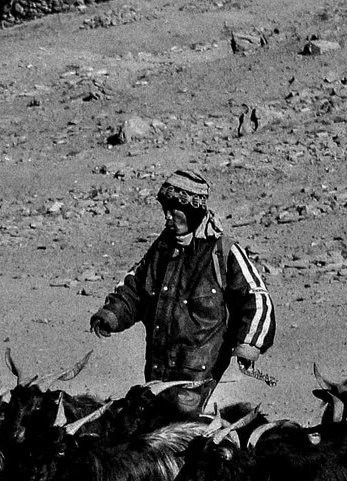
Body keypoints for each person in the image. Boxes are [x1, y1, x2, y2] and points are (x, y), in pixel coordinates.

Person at [88, 168, 273, 416]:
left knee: (184, 436)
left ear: (193, 213)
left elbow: (257, 299)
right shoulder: (161, 249)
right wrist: (112, 315)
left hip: (199, 377)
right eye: (165, 211)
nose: (168, 218)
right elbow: (135, 289)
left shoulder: (223, 252)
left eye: (175, 213)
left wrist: (250, 343)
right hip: (158, 372)